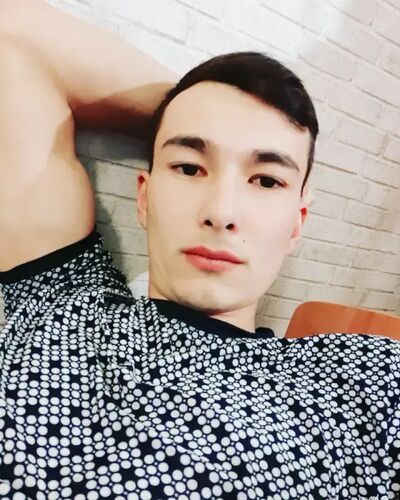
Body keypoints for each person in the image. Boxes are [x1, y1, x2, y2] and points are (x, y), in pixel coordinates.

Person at [0, 1, 398, 499]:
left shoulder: (358, 383)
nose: (221, 212)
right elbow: (11, 36)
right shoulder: (60, 301)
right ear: (145, 198)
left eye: (267, 180)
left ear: (297, 222)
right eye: (188, 168)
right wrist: (193, 103)